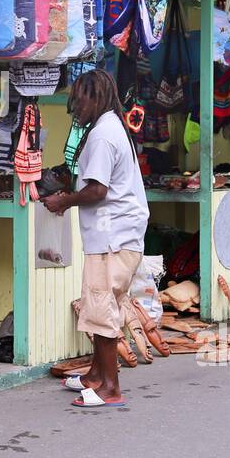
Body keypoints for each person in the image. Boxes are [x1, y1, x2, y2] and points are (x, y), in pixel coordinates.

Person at [43, 69, 149, 407]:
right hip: (119, 236)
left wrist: (64, 201)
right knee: (106, 305)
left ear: (96, 97)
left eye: (81, 98)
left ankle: (110, 389)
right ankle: (95, 375)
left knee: (102, 311)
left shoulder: (103, 134)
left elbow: (98, 190)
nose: (76, 106)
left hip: (111, 238)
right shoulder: (111, 127)